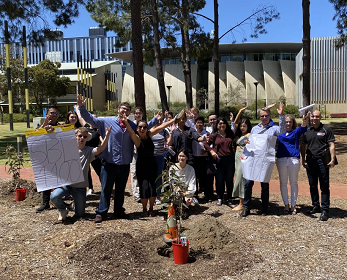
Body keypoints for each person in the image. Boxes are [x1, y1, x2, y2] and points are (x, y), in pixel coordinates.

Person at [77, 94, 138, 223]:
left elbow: (144, 130)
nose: (124, 111)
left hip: (124, 163)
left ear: (129, 113)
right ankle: (101, 213)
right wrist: (81, 107)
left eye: (127, 110)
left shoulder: (132, 125)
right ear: (118, 110)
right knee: (106, 189)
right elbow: (90, 120)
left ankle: (118, 211)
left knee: (120, 189)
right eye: (123, 109)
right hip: (109, 163)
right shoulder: (107, 121)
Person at [50, 126, 111, 221]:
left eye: (84, 136)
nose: (82, 138)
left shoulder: (89, 151)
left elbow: (101, 149)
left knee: (80, 214)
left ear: (87, 138)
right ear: (75, 136)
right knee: (54, 196)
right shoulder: (67, 148)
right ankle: (63, 209)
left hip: (80, 187)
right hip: (66, 184)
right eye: (80, 136)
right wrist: (51, 131)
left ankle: (74, 205)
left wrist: (107, 137)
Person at [120, 113, 175, 217]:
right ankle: (144, 209)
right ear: (137, 128)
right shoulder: (137, 139)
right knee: (144, 188)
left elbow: (161, 127)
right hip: (141, 166)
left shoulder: (150, 134)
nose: (142, 129)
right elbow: (131, 132)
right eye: (140, 127)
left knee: (153, 187)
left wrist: (172, 121)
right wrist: (126, 121)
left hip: (152, 164)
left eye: (144, 127)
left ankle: (151, 209)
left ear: (147, 128)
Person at [241, 103, 285, 217]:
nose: (264, 118)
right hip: (253, 159)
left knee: (264, 184)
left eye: (266, 115)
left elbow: (283, 131)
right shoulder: (255, 129)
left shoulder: (274, 128)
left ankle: (264, 208)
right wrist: (245, 143)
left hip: (265, 160)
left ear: (269, 116)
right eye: (262, 116)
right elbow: (249, 142)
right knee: (248, 183)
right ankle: (246, 207)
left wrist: (281, 116)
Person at [300, 110, 336, 221]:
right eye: (313, 116)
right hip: (310, 161)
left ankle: (325, 209)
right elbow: (302, 145)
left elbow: (331, 145)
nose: (314, 118)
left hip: (322, 161)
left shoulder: (326, 129)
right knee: (312, 185)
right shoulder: (307, 130)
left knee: (324, 186)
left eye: (317, 116)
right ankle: (316, 206)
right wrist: (303, 159)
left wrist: (333, 159)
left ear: (320, 117)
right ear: (310, 118)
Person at [276, 114, 308, 214]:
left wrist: (304, 120)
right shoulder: (279, 133)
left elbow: (303, 128)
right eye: (286, 122)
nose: (288, 124)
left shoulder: (295, 132)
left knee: (293, 183)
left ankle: (293, 205)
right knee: (283, 183)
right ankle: (286, 205)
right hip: (281, 159)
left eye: (290, 122)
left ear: (293, 123)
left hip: (293, 160)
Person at [130, 107, 160, 202]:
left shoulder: (144, 124)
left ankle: (148, 194)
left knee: (149, 177)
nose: (138, 115)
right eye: (136, 113)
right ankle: (137, 194)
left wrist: (156, 119)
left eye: (139, 113)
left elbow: (151, 125)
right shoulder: (132, 124)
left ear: (142, 114)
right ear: (134, 114)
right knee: (134, 173)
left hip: (145, 153)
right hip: (135, 152)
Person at [203, 117, 235, 206]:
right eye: (220, 123)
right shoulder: (214, 135)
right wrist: (212, 151)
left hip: (230, 159)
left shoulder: (230, 134)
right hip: (219, 159)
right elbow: (206, 144)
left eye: (223, 123)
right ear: (217, 125)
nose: (222, 125)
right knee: (219, 179)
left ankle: (229, 197)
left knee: (229, 179)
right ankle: (219, 197)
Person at [36, 105, 61, 213]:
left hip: (59, 156)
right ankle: (45, 203)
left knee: (60, 180)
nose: (54, 115)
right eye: (52, 113)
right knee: (46, 180)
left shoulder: (61, 127)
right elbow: (35, 136)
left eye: (56, 113)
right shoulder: (42, 127)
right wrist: (45, 124)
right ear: (47, 114)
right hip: (45, 156)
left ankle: (59, 201)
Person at [232, 118, 252, 211]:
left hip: (244, 157)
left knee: (241, 179)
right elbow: (235, 123)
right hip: (237, 156)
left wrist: (248, 143)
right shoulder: (240, 135)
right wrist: (240, 112)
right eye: (241, 126)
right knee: (238, 178)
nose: (242, 128)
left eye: (244, 126)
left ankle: (242, 203)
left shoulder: (250, 135)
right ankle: (242, 201)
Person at [192, 116, 208, 195]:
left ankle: (204, 191)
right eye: (198, 123)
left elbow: (210, 144)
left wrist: (206, 150)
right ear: (195, 124)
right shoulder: (192, 133)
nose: (199, 124)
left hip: (203, 157)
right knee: (195, 175)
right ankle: (195, 193)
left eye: (201, 123)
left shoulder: (206, 133)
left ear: (203, 124)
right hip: (194, 157)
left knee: (203, 175)